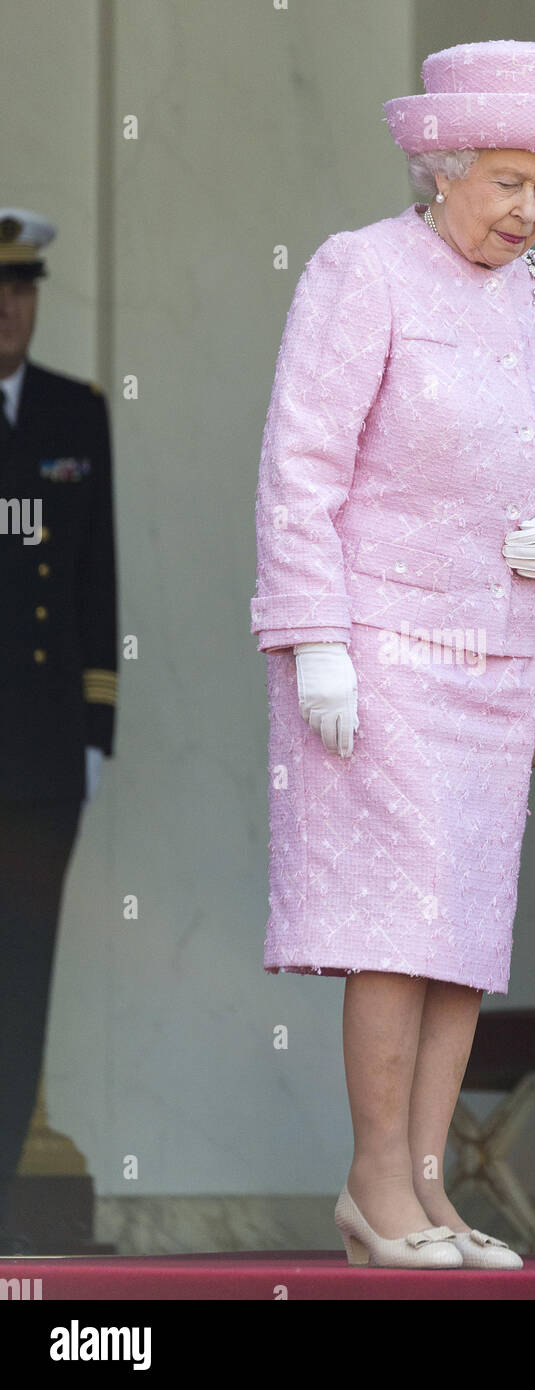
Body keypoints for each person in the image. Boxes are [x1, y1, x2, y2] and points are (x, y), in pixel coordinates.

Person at [250, 40, 535, 1269]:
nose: (525, 209)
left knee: (461, 938)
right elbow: (300, 467)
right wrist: (316, 643)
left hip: (495, 658)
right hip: (382, 649)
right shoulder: (363, 273)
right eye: (506, 180)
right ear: (442, 167)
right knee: (395, 926)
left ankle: (427, 1190)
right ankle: (371, 1187)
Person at [0, 208, 118, 1255]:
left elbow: (94, 576)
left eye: (23, 286)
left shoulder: (78, 416)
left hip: (41, 754)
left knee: (24, 973)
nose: (8, 307)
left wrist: (96, 725)